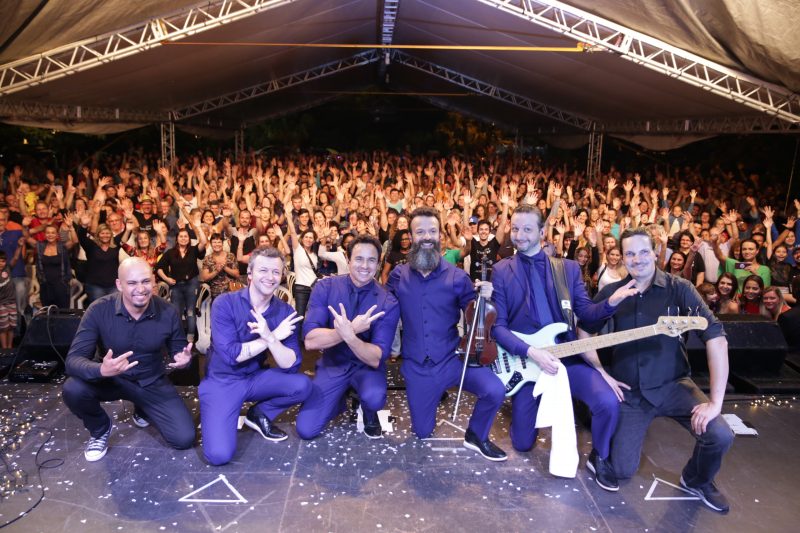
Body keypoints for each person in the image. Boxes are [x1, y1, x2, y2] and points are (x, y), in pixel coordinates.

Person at [584, 227, 733, 514]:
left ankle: (696, 480)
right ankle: (602, 453)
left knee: (720, 434)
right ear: (621, 256)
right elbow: (584, 330)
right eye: (630, 253)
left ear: (655, 253)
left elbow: (716, 337)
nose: (637, 259)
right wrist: (601, 371)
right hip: (630, 393)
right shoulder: (611, 292)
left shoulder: (681, 289)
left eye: (643, 252)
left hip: (674, 385)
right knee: (621, 470)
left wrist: (716, 403)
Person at [491, 204, 638, 491]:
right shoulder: (501, 270)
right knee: (522, 443)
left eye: (527, 229)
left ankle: (600, 457)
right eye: (515, 228)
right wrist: (531, 352)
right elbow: (499, 327)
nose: (519, 235)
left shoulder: (567, 269)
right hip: (529, 361)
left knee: (607, 402)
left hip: (566, 356)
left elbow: (587, 314)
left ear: (542, 232)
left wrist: (611, 302)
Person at [386, 207, 507, 461]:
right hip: (417, 367)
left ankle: (477, 436)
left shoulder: (458, 277)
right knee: (422, 432)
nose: (427, 237)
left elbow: (477, 317)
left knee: (495, 390)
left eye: (432, 231)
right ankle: (432, 397)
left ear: (440, 235)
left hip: (453, 360)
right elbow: (383, 311)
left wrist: (486, 298)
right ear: (411, 236)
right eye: (420, 232)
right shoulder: (398, 276)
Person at [61, 257, 196, 462]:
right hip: (111, 379)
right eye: (132, 283)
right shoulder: (98, 310)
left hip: (150, 381)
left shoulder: (168, 311)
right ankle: (100, 429)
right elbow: (73, 360)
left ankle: (143, 409)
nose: (140, 289)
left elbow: (179, 350)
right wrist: (101, 370)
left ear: (154, 281)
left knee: (184, 438)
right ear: (119, 284)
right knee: (73, 389)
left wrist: (184, 360)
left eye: (145, 281)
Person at [198, 246, 312, 466]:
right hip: (223, 381)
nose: (270, 277)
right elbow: (231, 356)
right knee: (219, 455)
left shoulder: (285, 312)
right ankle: (218, 410)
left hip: (255, 378)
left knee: (303, 385)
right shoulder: (225, 303)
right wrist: (271, 337)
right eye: (263, 270)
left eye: (276, 272)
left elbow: (291, 363)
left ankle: (258, 414)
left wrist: (270, 338)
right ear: (249, 273)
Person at [297, 235, 400, 439]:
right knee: (306, 429)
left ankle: (368, 410)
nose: (365, 266)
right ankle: (340, 398)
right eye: (359, 259)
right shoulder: (325, 287)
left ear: (378, 263)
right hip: (333, 364)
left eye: (371, 260)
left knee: (374, 398)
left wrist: (350, 336)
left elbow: (376, 357)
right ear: (348, 259)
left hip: (366, 368)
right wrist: (350, 329)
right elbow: (310, 340)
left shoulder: (388, 301)